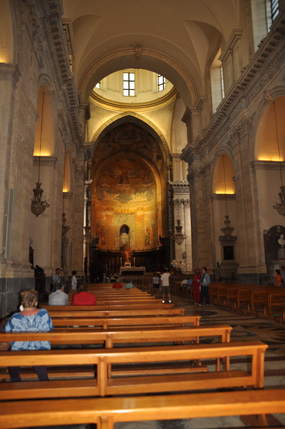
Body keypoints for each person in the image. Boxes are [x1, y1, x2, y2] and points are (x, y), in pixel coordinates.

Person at [3, 289, 53, 381]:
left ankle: (15, 378)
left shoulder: (15, 317)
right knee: (37, 354)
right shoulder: (44, 313)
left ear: (22, 303)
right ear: (36, 302)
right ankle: (43, 379)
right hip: (41, 347)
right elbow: (50, 327)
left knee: (10, 354)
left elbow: (6, 331)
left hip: (20, 349)